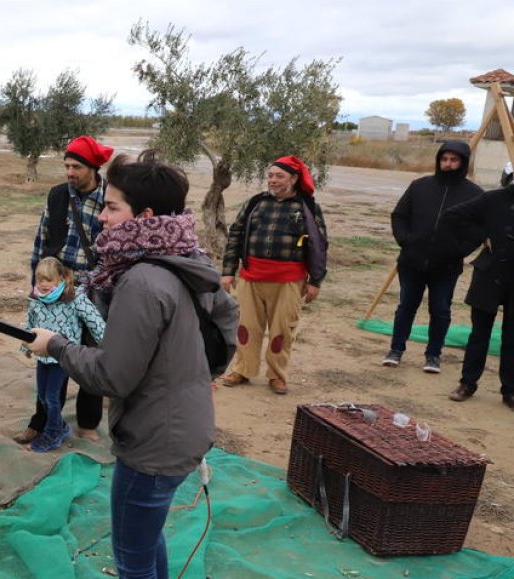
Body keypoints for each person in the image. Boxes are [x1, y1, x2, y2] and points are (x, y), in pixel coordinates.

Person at [26, 151, 238, 579]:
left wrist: (57, 346)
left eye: (111, 207)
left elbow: (112, 376)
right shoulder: (187, 257)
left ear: (143, 215)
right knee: (147, 540)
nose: (101, 217)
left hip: (154, 443)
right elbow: (226, 329)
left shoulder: (142, 281)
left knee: (132, 557)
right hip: (181, 427)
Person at [19, 135, 113, 444]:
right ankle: (42, 420)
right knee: (50, 349)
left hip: (96, 286)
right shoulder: (58, 195)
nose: (69, 172)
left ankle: (87, 422)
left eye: (76, 166)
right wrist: (37, 283)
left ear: (92, 168)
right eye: (67, 165)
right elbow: (42, 237)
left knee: (91, 353)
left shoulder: (108, 198)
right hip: (58, 286)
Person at [219, 156, 328, 395]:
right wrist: (228, 272)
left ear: (294, 179)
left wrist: (315, 281)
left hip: (289, 281)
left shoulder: (307, 208)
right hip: (251, 277)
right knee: (246, 327)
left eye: (279, 176)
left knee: (282, 330)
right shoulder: (255, 203)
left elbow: (319, 244)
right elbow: (235, 236)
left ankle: (277, 375)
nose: (273, 180)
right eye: (270, 175)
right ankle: (242, 369)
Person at [383, 141, 483, 371]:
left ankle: (433, 355)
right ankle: (396, 350)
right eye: (444, 159)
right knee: (406, 306)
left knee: (440, 310)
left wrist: (459, 250)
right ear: (439, 160)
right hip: (411, 262)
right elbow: (399, 215)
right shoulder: (419, 186)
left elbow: (479, 229)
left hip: (446, 266)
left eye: (454, 160)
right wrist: (405, 240)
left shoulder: (474, 194)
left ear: (463, 163)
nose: (448, 164)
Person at [438, 184, 514, 410]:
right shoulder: (493, 198)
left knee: (513, 336)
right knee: (480, 333)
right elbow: (452, 216)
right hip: (490, 274)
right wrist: (482, 235)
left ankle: (510, 390)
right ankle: (467, 383)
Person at [21, 257, 107, 453]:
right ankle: (60, 427)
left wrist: (106, 344)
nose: (42, 284)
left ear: (61, 279)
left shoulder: (74, 299)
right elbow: (30, 325)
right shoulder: (36, 300)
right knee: (43, 396)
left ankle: (52, 433)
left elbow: (95, 322)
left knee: (52, 396)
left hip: (63, 356)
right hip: (43, 356)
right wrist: (27, 346)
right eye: (39, 279)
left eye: (48, 280)